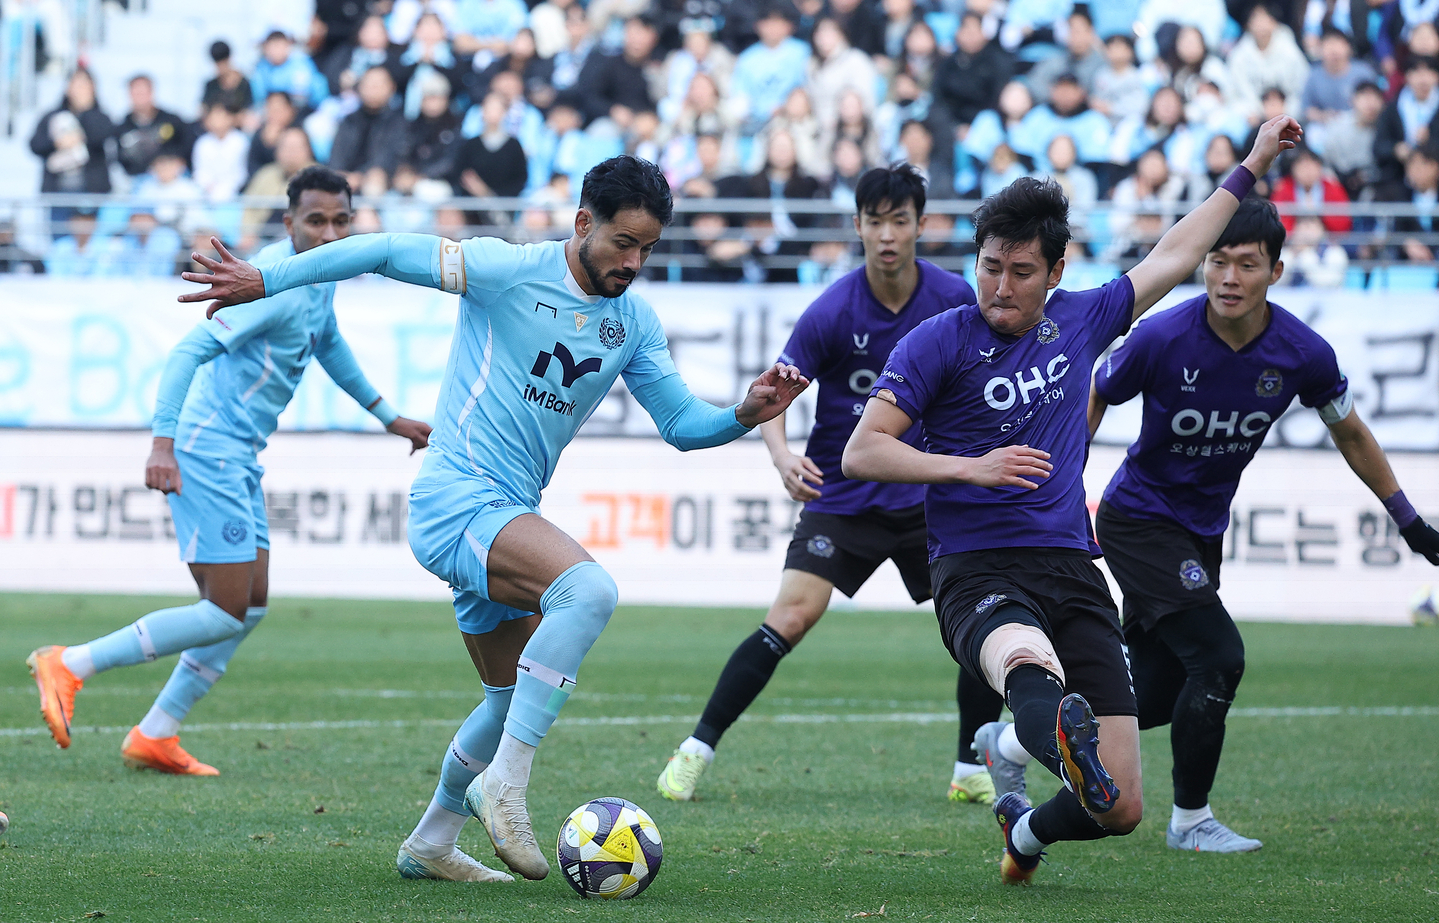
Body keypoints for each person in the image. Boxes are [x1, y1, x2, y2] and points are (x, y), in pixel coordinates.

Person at [174, 155, 810, 883]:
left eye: (647, 248)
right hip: (455, 499)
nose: (633, 261)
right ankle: (505, 783)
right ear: (582, 223)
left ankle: (432, 841)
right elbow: (382, 249)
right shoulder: (506, 270)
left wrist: (741, 414)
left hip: (504, 514)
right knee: (588, 590)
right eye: (623, 242)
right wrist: (268, 276)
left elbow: (679, 422)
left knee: (506, 695)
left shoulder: (633, 322)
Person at [841, 115, 1302, 886]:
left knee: (1118, 806)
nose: (999, 285)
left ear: (1054, 272)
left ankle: (1023, 829)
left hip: (1071, 565)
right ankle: (1039, 734)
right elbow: (864, 449)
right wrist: (971, 467)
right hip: (974, 565)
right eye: (989, 266)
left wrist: (1253, 162)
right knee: (1025, 661)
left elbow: (1179, 251)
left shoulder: (1083, 319)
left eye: (1021, 270)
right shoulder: (937, 340)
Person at [26, 166, 431, 776]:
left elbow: (328, 344)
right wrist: (161, 444)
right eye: (314, 221)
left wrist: (389, 417)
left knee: (252, 604)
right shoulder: (269, 285)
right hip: (203, 448)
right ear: (288, 220)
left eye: (340, 221)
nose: (328, 233)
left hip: (236, 454)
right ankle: (70, 662)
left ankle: (156, 733)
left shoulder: (315, 279)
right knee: (223, 609)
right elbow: (189, 348)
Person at [1085, 195, 1439, 851]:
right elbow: (1096, 389)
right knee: (1220, 658)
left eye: (1244, 264)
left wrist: (1407, 519)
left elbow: (1350, 432)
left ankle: (1019, 735)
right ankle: (1190, 820)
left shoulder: (1301, 353)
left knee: (1159, 689)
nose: (1226, 278)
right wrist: (1060, 489)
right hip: (1137, 517)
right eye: (1216, 261)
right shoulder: (1162, 337)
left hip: (1200, 529)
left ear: (1274, 271)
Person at [655, 164, 1005, 807]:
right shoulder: (833, 310)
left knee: (978, 624)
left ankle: (971, 768)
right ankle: (694, 751)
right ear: (858, 227)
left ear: (921, 226)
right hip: (844, 496)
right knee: (788, 616)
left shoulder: (956, 298)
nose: (888, 235)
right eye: (876, 222)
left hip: (931, 495)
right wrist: (782, 456)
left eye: (900, 221)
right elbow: (777, 392)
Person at [115, 75, 192, 178]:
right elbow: (120, 160)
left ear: (152, 93)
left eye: (143, 93)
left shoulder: (172, 121)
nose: (140, 98)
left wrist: (174, 165)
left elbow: (186, 148)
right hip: (135, 181)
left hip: (173, 179)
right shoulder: (122, 128)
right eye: (136, 93)